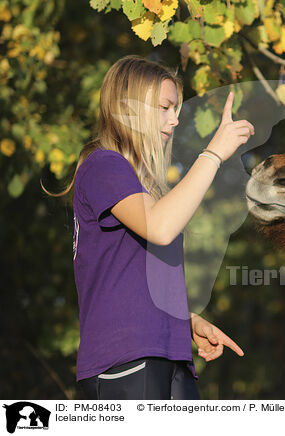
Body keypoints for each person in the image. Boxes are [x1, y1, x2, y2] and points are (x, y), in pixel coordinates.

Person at [41, 54, 255, 400]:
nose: (174, 121)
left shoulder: (139, 185)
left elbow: (136, 278)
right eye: (164, 107)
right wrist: (214, 153)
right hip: (125, 360)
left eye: (176, 110)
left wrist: (186, 322)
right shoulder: (103, 165)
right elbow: (160, 228)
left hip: (171, 357)